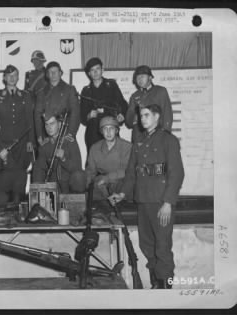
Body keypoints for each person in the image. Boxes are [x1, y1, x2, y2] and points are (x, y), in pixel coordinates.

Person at [109, 104, 184, 289]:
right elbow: (131, 174)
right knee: (147, 245)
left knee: (162, 247)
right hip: (143, 201)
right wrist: (122, 193)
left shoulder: (168, 140)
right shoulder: (139, 143)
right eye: (141, 116)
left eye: (146, 115)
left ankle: (166, 288)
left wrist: (168, 202)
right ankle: (156, 284)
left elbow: (177, 173)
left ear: (157, 117)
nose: (143, 119)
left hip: (160, 202)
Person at [0, 64, 34, 170]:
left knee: (21, 171)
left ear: (18, 77)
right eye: (9, 75)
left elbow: (30, 120)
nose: (12, 78)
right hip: (3, 141)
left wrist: (30, 140)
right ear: (4, 78)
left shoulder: (25, 96)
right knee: (4, 171)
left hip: (22, 142)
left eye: (15, 75)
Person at [80, 57, 128, 153]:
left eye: (97, 69)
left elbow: (122, 103)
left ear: (102, 70)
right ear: (88, 73)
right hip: (93, 132)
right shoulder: (86, 90)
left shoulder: (111, 85)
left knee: (114, 158)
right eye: (92, 70)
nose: (95, 72)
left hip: (110, 128)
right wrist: (89, 115)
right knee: (94, 161)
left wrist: (121, 114)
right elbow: (82, 115)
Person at [33, 113, 86, 194]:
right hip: (54, 184)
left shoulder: (70, 142)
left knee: (79, 176)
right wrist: (38, 188)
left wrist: (63, 158)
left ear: (59, 124)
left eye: (52, 123)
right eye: (46, 124)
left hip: (70, 183)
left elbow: (77, 167)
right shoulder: (44, 146)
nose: (49, 127)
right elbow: (39, 169)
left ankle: (76, 201)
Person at [85, 116, 132, 201]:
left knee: (120, 186)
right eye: (105, 129)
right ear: (101, 132)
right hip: (103, 184)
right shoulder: (95, 148)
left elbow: (127, 171)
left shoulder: (127, 147)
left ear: (117, 130)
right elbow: (90, 171)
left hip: (120, 183)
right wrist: (87, 185)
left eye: (112, 128)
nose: (108, 132)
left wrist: (107, 178)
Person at [34, 61, 80, 146]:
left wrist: (71, 133)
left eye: (55, 71)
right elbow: (37, 115)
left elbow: (75, 113)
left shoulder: (69, 90)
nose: (53, 74)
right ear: (47, 75)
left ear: (60, 73)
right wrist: (39, 135)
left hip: (65, 133)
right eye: (50, 72)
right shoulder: (41, 92)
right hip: (47, 134)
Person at [125, 65, 173, 143]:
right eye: (137, 77)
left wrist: (165, 135)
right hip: (139, 138)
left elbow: (167, 115)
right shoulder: (134, 96)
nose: (140, 79)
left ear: (150, 78)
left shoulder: (160, 91)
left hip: (157, 136)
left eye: (142, 76)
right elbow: (129, 122)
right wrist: (135, 117)